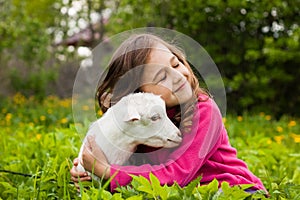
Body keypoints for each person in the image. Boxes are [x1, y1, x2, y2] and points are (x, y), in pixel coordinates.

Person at [70, 33, 267, 194]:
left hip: (236, 190)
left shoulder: (204, 111)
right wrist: (87, 173)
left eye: (176, 64)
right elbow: (131, 172)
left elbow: (176, 176)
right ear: (139, 94)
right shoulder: (141, 122)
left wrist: (105, 171)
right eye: (162, 76)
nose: (178, 75)